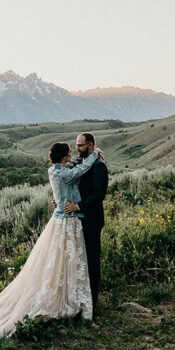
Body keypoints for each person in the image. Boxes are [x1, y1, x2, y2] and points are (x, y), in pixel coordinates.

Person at [0, 142, 100, 342]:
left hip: (60, 220)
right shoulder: (63, 174)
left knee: (60, 262)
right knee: (69, 262)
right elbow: (81, 169)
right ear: (64, 155)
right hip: (67, 222)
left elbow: (73, 166)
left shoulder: (54, 170)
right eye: (69, 152)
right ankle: (68, 303)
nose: (72, 153)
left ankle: (65, 300)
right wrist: (95, 155)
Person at [63, 132, 109, 318]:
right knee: (79, 262)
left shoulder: (99, 166)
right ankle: (80, 302)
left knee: (92, 263)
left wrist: (78, 206)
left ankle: (92, 306)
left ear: (90, 145)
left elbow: (98, 196)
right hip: (78, 220)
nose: (77, 148)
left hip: (91, 221)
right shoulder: (82, 161)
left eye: (80, 145)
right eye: (76, 145)